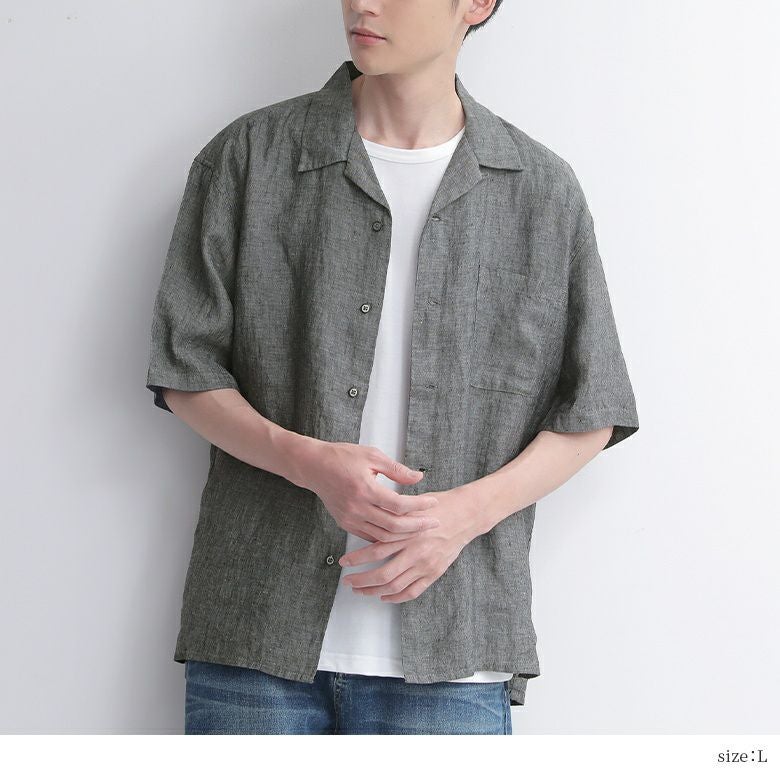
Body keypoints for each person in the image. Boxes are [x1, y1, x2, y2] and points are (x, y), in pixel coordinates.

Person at [145, 0, 639, 735]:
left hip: (454, 648)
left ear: (477, 3)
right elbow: (185, 367)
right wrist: (307, 461)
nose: (362, 4)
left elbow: (593, 408)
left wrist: (464, 515)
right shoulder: (251, 155)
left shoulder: (539, 188)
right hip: (258, 629)